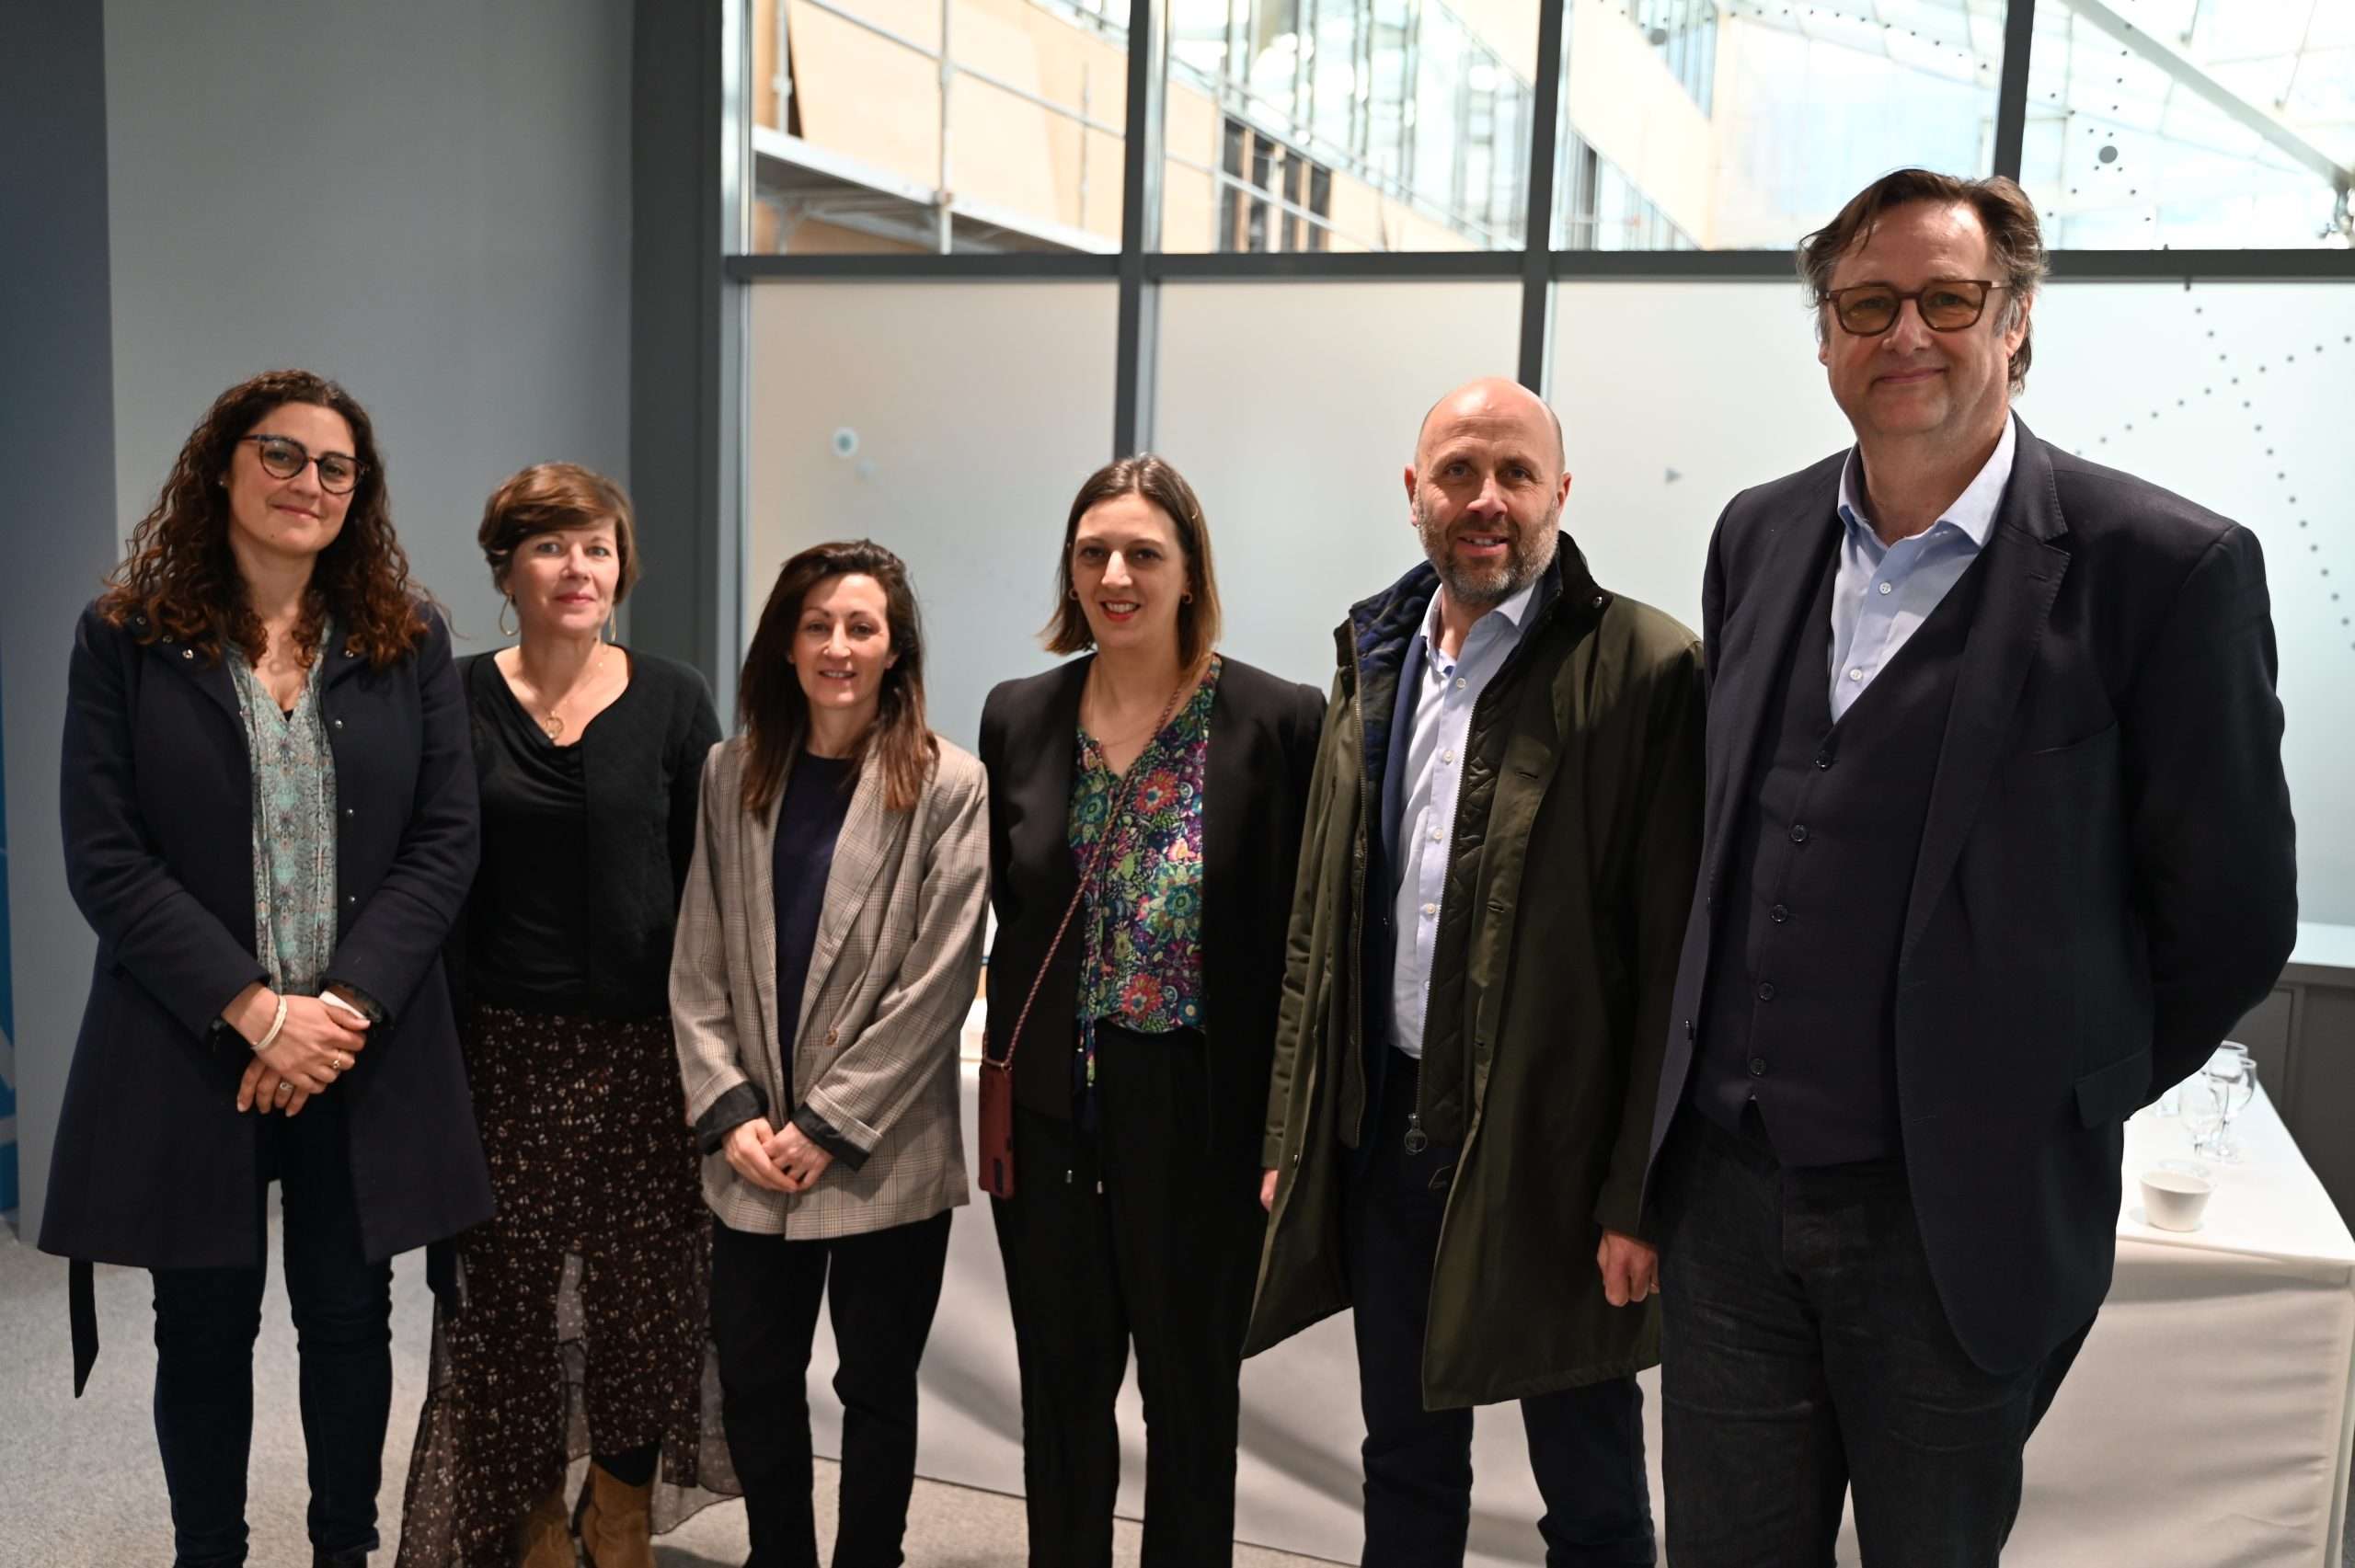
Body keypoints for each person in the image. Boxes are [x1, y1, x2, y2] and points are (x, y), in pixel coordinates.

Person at [1643, 168, 2300, 1565]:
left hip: (1955, 1226)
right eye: (1866, 305)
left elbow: (2234, 918)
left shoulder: (2164, 570)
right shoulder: (1756, 536)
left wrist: (2063, 1096)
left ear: (2018, 326)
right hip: (1729, 1199)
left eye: (1949, 300)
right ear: (1825, 336)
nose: (1906, 336)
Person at [39, 369, 492, 1568]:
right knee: (202, 1323)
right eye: (282, 456)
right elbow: (106, 854)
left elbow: (445, 844)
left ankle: (346, 1552)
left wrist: (334, 1012)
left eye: (335, 467)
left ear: (362, 492)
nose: (308, 483)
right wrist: (254, 1011)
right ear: (225, 466)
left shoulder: (409, 640)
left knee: (350, 1321)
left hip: (363, 1043)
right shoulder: (127, 639)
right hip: (194, 1043)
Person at [1249, 378, 1705, 1568]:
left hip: (1561, 1146)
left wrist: (1638, 1193)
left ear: (1561, 491)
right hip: (1389, 1129)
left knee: (1591, 1480)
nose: (1485, 499)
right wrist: (1296, 1128)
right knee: (1403, 1454)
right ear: (1415, 494)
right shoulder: (1377, 656)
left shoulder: (1649, 669)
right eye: (1459, 472)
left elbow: (1676, 963)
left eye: (1513, 473)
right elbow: (1321, 924)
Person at [980, 455, 1323, 1566]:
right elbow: (1008, 903)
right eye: (1093, 554)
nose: (1115, 574)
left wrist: (1287, 1126)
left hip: (1196, 1107)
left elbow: (1300, 945)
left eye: (1143, 554)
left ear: (1188, 574)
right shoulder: (1019, 714)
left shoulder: (1277, 723)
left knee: (1189, 1403)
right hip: (1051, 1105)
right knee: (1062, 1403)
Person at [396, 464, 728, 1568]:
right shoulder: (447, 694)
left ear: (621, 563)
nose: (577, 568)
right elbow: (420, 868)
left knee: (649, 1303)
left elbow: (709, 883)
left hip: (648, 1053)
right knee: (506, 1310)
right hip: (500, 1052)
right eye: (550, 546)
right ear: (506, 568)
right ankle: (533, 1512)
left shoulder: (676, 698)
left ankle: (619, 1509)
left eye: (595, 546)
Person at [671, 539, 988, 1568]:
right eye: (817, 624)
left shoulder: (951, 785)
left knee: (875, 1382)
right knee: (757, 1374)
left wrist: (825, 1124)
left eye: (860, 626)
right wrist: (731, 1112)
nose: (837, 645)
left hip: (882, 1150)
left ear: (894, 649)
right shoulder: (734, 769)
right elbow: (699, 957)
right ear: (787, 641)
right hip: (751, 1145)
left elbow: (939, 979)